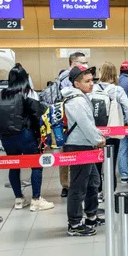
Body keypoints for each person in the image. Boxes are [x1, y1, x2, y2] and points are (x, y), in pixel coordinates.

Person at [0, 65, 54, 212]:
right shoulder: (29, 93)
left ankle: (19, 199)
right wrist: (40, 136)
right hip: (25, 134)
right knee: (36, 165)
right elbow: (37, 115)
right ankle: (36, 200)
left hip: (6, 137)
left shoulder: (0, 94)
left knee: (14, 165)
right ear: (25, 78)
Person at [62, 66, 106, 236]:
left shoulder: (82, 97)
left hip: (86, 145)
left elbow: (89, 123)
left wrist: (96, 136)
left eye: (92, 80)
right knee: (78, 186)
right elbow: (85, 125)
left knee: (93, 182)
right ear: (76, 83)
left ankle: (91, 216)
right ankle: (74, 224)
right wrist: (98, 140)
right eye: (87, 81)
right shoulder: (77, 101)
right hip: (79, 146)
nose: (91, 84)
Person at [49, 51, 88, 198]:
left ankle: (66, 185)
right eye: (83, 63)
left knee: (66, 152)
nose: (86, 65)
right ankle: (69, 185)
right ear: (73, 63)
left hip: (64, 120)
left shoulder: (65, 77)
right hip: (69, 120)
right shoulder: (69, 78)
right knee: (69, 152)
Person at [94, 62, 128, 199]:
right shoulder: (117, 90)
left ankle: (98, 191)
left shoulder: (93, 89)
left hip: (96, 132)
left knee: (97, 162)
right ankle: (111, 190)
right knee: (112, 161)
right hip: (113, 130)